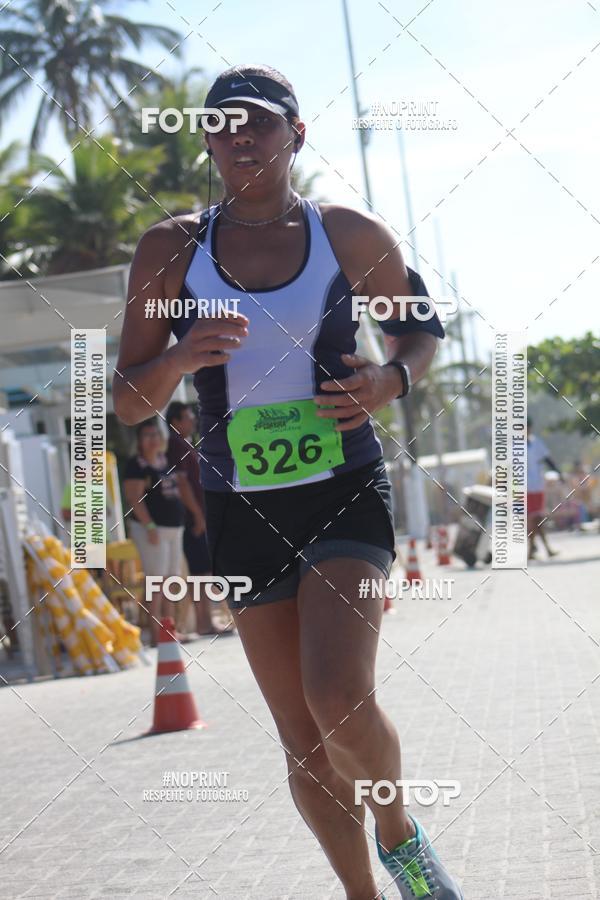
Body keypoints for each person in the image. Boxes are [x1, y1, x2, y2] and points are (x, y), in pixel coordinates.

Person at [113, 64, 463, 900]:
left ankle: (400, 837)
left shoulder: (350, 234)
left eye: (259, 123)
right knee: (303, 739)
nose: (241, 136)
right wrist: (181, 357)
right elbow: (128, 400)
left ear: (294, 134)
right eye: (223, 124)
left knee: (339, 693)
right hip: (241, 508)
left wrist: (390, 383)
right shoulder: (171, 250)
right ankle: (362, 893)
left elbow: (420, 335)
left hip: (342, 487)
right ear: (204, 140)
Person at [123, 417, 202, 645]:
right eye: (147, 436)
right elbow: (134, 498)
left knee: (170, 580)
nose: (152, 440)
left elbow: (181, 489)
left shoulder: (164, 461)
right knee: (156, 581)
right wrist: (149, 526)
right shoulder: (136, 465)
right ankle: (156, 633)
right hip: (151, 529)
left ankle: (170, 630)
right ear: (138, 440)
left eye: (155, 435)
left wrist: (195, 514)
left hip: (173, 527)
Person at [166, 400, 234, 634]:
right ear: (175, 421)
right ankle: (204, 621)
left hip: (197, 514)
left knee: (204, 570)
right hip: (191, 518)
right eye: (187, 416)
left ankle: (206, 620)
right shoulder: (176, 445)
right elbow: (182, 482)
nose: (192, 420)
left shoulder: (183, 444)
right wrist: (197, 515)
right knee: (200, 571)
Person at [527, 417, 562, 559]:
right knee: (533, 518)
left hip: (537, 485)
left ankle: (535, 549)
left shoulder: (536, 443)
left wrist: (559, 472)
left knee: (537, 518)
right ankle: (540, 548)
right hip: (523, 487)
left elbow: (548, 459)